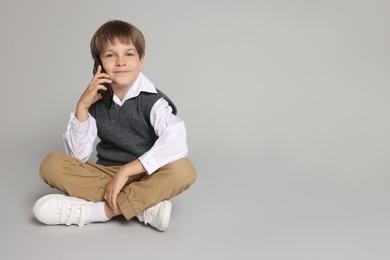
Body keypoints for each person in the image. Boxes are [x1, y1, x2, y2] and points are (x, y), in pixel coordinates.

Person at [33, 20, 197, 231]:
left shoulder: (152, 101)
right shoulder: (96, 101)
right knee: (51, 164)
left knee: (184, 169)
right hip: (106, 175)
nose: (121, 62)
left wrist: (127, 171)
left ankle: (99, 211)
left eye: (129, 54)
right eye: (111, 55)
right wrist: (82, 108)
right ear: (98, 65)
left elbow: (176, 140)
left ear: (141, 61)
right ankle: (141, 206)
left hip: (147, 173)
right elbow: (77, 157)